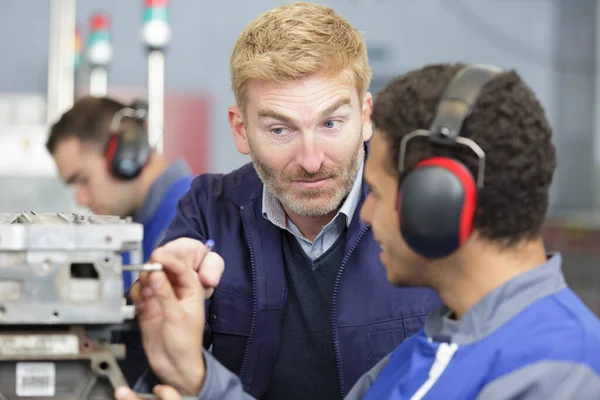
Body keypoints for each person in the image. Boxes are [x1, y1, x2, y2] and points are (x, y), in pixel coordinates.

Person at [115, 62, 600, 400]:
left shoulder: (559, 371)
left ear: (437, 205)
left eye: (381, 194)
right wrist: (195, 378)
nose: (366, 216)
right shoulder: (431, 346)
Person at [118, 2, 442, 399]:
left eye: (330, 123)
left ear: (366, 116)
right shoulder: (207, 211)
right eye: (280, 130)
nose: (310, 160)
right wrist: (151, 300)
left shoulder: (423, 215)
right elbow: (146, 369)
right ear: (241, 129)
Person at [46, 96, 195, 283]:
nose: (80, 200)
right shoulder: (135, 229)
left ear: (125, 155)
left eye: (83, 179)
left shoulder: (189, 220)